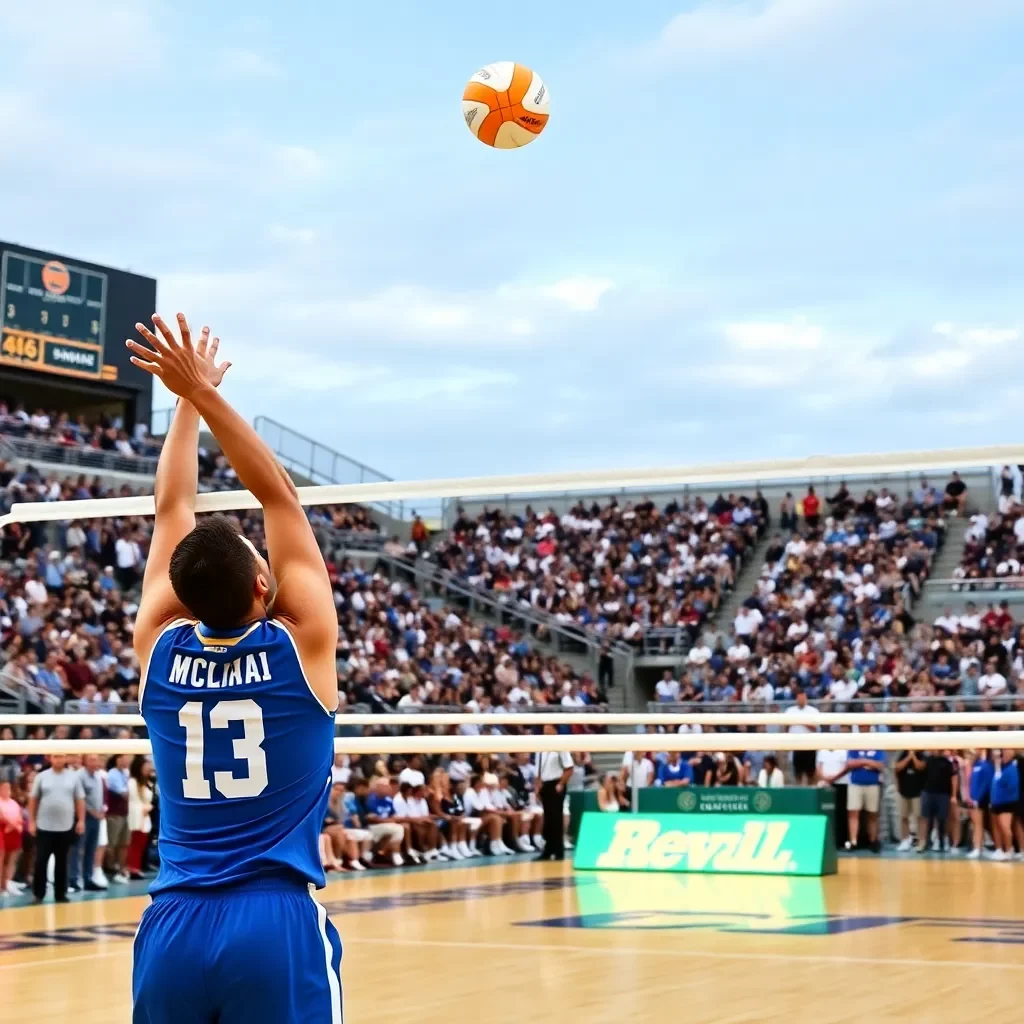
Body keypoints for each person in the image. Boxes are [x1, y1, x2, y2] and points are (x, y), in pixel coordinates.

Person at [127, 315, 342, 1023]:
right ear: (263, 586)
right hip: (271, 921)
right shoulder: (300, 643)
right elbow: (279, 494)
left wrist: (184, 399)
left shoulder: (159, 647)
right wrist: (204, 393)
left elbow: (172, 508)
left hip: (172, 925)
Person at [28, 753, 85, 903]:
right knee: (40, 861)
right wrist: (32, 821)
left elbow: (79, 799)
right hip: (44, 826)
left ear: (65, 758)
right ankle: (38, 894)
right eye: (55, 756)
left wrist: (81, 820)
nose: (58, 759)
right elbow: (33, 799)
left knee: (62, 862)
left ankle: (60, 894)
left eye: (61, 756)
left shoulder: (73, 777)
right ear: (50, 758)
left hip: (65, 827)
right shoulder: (41, 776)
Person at [537, 725, 573, 861]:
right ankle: (548, 850)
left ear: (554, 730)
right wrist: (538, 786)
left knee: (556, 818)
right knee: (548, 818)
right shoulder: (541, 748)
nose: (545, 730)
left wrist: (561, 783)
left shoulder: (560, 746)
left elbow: (569, 768)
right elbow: (538, 770)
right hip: (545, 784)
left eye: (548, 728)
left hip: (556, 783)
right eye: (544, 728)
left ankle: (558, 851)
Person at [966, 750, 994, 860]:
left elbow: (986, 784)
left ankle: (977, 848)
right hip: (973, 799)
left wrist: (978, 798)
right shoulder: (975, 765)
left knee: (978, 824)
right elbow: (973, 783)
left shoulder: (985, 765)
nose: (970, 756)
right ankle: (979, 847)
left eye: (971, 754)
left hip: (980, 800)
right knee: (975, 824)